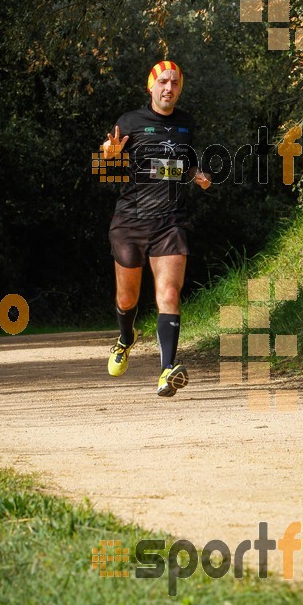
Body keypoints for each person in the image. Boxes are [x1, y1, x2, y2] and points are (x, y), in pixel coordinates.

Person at [102, 60, 211, 396]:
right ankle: (125, 336)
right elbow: (108, 163)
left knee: (168, 294)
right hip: (130, 221)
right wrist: (109, 154)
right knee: (127, 296)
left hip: (170, 222)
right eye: (163, 82)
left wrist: (198, 175)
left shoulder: (186, 124)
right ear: (150, 86)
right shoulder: (130, 121)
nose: (169, 88)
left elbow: (183, 163)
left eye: (175, 83)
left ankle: (167, 371)